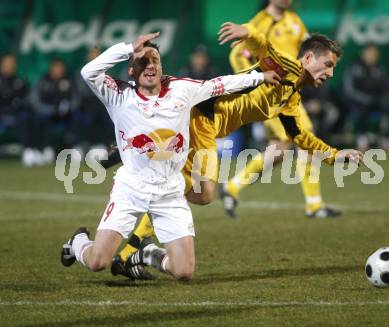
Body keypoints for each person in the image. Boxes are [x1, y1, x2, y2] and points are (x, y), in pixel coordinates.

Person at [113, 25, 364, 279]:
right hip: (201, 119)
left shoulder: (291, 96)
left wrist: (333, 155)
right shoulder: (287, 67)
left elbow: (299, 135)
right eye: (328, 64)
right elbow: (264, 47)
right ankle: (133, 250)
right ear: (309, 58)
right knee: (195, 189)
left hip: (203, 124)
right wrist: (248, 33)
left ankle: (134, 248)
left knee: (196, 190)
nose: (331, 73)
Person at [60, 32, 279, 281]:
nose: (150, 65)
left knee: (184, 272)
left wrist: (259, 77)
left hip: (170, 191)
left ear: (162, 66)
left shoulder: (181, 89)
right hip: (131, 189)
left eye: (155, 60)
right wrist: (128, 47)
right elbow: (88, 72)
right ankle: (78, 242)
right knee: (98, 261)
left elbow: (220, 84)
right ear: (131, 70)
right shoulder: (119, 95)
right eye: (142, 61)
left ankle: (149, 254)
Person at [223, 0, 340, 218]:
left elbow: (308, 52)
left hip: (289, 94)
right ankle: (314, 204)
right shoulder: (259, 23)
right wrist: (254, 81)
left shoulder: (294, 21)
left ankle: (233, 187)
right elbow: (237, 55)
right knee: (304, 137)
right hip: (270, 97)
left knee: (279, 151)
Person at [343, 44, 389, 151]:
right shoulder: (354, 68)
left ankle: (386, 138)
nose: (372, 56)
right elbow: (350, 91)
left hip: (376, 101)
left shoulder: (379, 69)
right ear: (363, 54)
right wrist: (366, 99)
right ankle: (362, 139)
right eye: (370, 53)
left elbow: (387, 87)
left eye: (375, 54)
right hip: (358, 102)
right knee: (360, 110)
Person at [30, 58, 77, 164]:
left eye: (60, 67)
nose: (58, 70)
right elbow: (35, 102)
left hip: (66, 115)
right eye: (56, 67)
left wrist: (68, 108)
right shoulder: (43, 80)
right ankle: (44, 149)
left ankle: (75, 148)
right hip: (47, 114)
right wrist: (51, 110)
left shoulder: (69, 80)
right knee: (37, 118)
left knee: (77, 117)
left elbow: (76, 100)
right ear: (51, 69)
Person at [74, 47, 114, 151]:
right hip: (85, 105)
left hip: (103, 104)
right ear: (88, 57)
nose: (94, 57)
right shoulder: (81, 72)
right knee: (86, 115)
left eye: (97, 54)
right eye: (92, 54)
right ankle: (83, 145)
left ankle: (102, 145)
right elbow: (81, 91)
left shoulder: (107, 72)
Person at [0, 53, 30, 164]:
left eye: (11, 63)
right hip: (1, 114)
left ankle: (28, 152)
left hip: (15, 114)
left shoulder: (20, 81)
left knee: (27, 118)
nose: (9, 65)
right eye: (7, 63)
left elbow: (25, 99)